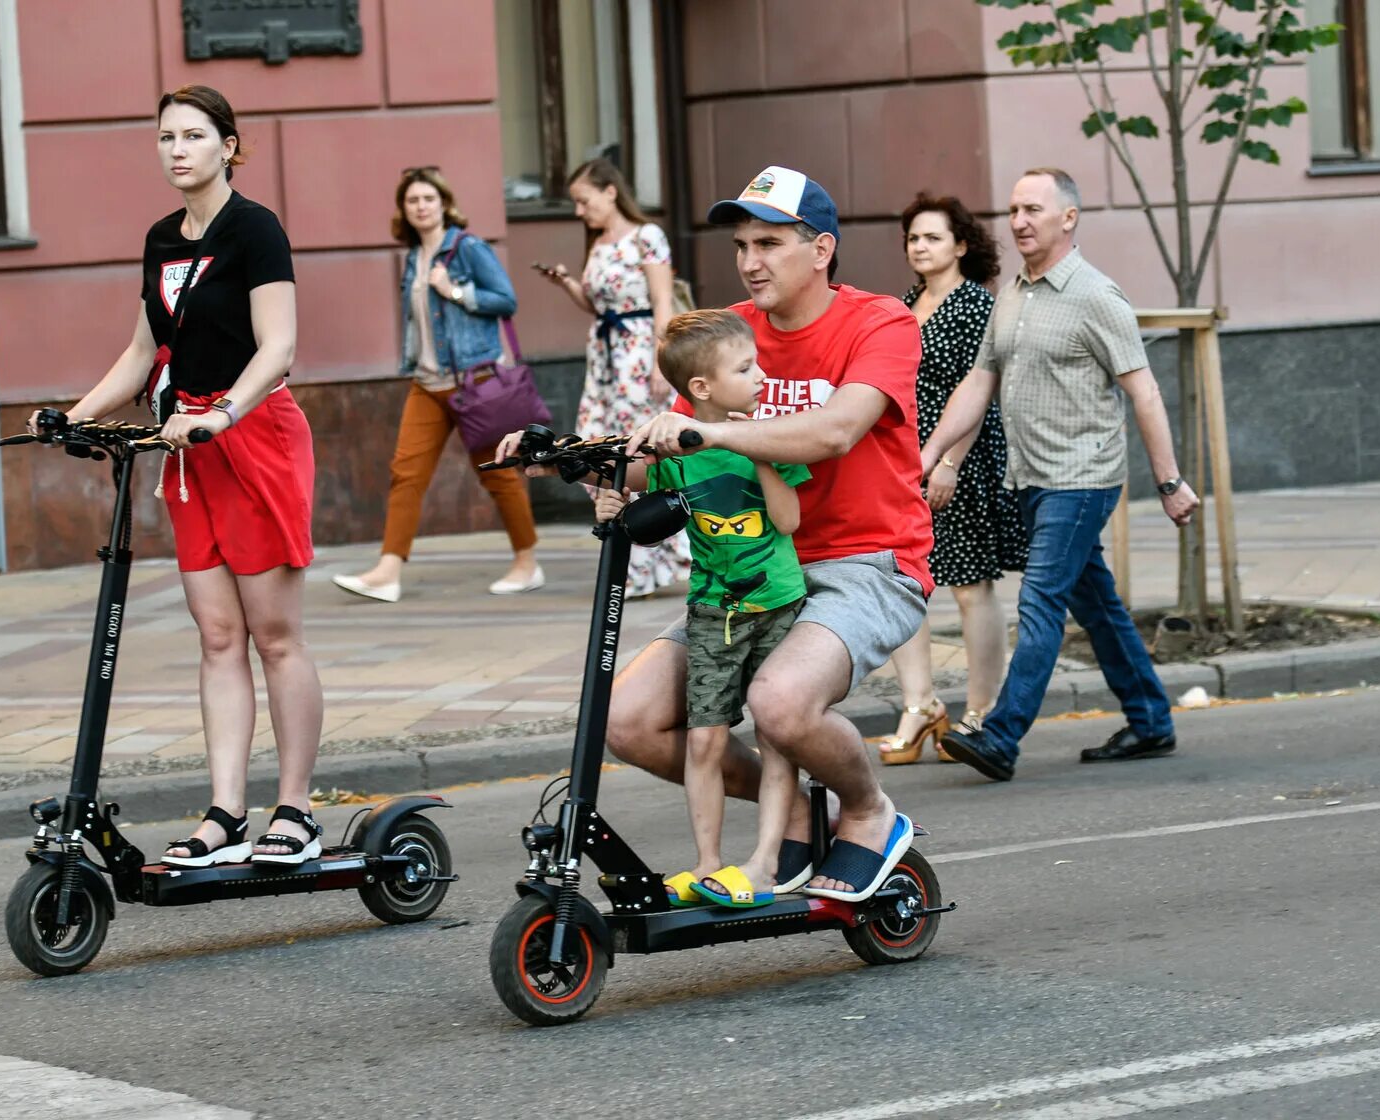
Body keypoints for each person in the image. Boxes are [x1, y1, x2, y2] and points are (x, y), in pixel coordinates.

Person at [508, 164, 931, 901]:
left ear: (822, 249)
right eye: (741, 245)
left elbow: (836, 431)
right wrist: (576, 460)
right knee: (631, 720)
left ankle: (867, 810)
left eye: (769, 243)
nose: (749, 260)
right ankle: (799, 804)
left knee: (780, 703)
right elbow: (674, 458)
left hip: (866, 563)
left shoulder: (879, 323)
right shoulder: (729, 334)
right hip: (748, 567)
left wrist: (710, 434)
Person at [30, 86, 324, 866]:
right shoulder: (162, 238)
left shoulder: (256, 230)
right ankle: (227, 810)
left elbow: (279, 346)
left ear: (229, 145)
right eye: (166, 137)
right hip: (187, 448)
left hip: (252, 438)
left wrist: (223, 413)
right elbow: (139, 353)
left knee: (274, 635)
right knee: (218, 635)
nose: (178, 149)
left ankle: (295, 810)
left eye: (194, 135)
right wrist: (72, 414)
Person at [921, 167, 1201, 782]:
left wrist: (1169, 482)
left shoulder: (1097, 296)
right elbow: (979, 381)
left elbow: (1145, 392)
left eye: (1033, 211)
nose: (1019, 222)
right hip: (1030, 476)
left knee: (1041, 600)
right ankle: (1152, 720)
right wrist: (933, 453)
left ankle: (1001, 735)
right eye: (1014, 210)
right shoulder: (1013, 292)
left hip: (1082, 478)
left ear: (1068, 218)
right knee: (1098, 607)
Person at [595, 310, 811, 908]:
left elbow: (790, 520)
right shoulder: (675, 453)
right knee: (704, 743)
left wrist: (759, 447)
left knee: (776, 737)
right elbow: (653, 521)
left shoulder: (771, 434)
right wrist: (614, 508)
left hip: (776, 604)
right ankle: (707, 865)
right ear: (701, 389)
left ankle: (764, 863)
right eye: (746, 368)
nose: (762, 375)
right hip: (713, 611)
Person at [868, 194, 1026, 766]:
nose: (919, 246)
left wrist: (949, 464)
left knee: (969, 586)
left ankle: (981, 712)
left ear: (961, 245)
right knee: (904, 583)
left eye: (932, 237)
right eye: (913, 238)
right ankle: (921, 704)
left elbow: (977, 393)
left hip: (959, 459)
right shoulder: (907, 303)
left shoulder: (973, 306)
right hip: (903, 461)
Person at [333, 168, 541, 602]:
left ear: (444, 203)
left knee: (499, 476)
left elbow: (507, 299)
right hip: (427, 383)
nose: (421, 206)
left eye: (428, 198)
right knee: (405, 474)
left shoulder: (468, 249)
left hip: (474, 382)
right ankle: (388, 572)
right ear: (404, 210)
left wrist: (456, 292)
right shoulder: (413, 257)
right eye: (413, 201)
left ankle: (527, 563)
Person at [537, 157, 692, 599]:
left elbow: (663, 300)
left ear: (610, 192)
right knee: (593, 448)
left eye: (583, 201)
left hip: (638, 357)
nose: (579, 211)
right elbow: (597, 304)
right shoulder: (599, 244)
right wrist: (568, 284)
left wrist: (663, 359)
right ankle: (647, 553)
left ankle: (645, 565)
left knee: (633, 454)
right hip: (604, 360)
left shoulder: (648, 237)